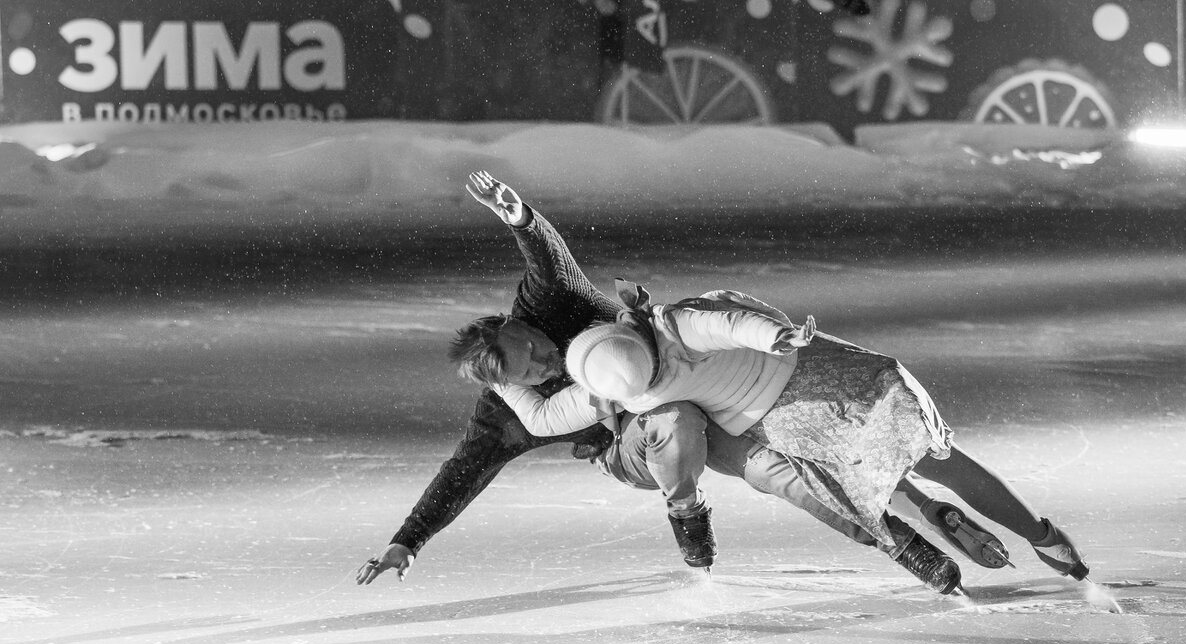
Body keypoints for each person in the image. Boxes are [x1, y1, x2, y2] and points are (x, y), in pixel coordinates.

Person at [357, 171, 974, 594]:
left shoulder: (549, 301)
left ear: (517, 322)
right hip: (637, 442)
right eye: (536, 373)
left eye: (538, 348)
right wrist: (407, 541)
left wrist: (519, 216)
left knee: (774, 467)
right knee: (688, 429)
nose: (549, 362)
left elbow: (548, 259)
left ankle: (898, 537)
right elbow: (463, 470)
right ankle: (689, 510)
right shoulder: (509, 414)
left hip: (691, 389)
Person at [475, 273, 1090, 585]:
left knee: (848, 477)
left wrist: (774, 335)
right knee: (927, 458)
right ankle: (1042, 536)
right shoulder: (660, 335)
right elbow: (731, 324)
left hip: (784, 416)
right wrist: (779, 337)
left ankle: (927, 513)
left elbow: (732, 327)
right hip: (817, 381)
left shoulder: (642, 356)